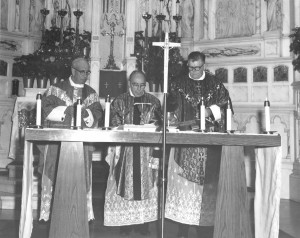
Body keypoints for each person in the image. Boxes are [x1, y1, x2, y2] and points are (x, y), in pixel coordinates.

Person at [165, 51, 232, 238]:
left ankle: (206, 228)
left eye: (197, 68)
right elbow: (170, 108)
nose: (194, 71)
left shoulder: (215, 83)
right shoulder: (177, 83)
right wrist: (171, 116)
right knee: (183, 187)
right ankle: (182, 229)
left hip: (208, 144)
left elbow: (226, 105)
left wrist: (211, 111)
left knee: (207, 188)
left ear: (204, 65)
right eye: (191, 68)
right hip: (185, 143)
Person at [38, 57, 103, 221]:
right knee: (56, 173)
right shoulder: (55, 89)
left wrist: (87, 114)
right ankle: (53, 214)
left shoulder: (91, 92)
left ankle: (80, 213)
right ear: (72, 71)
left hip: (81, 145)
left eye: (88, 71)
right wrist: (69, 112)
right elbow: (45, 110)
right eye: (82, 71)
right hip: (58, 143)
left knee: (81, 176)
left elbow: (97, 112)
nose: (86, 75)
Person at [103, 70, 162, 236]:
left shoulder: (153, 101)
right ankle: (126, 222)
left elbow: (159, 124)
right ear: (130, 84)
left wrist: (152, 124)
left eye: (142, 85)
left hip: (146, 151)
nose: (139, 89)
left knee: (147, 184)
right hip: (125, 151)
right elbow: (112, 122)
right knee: (125, 182)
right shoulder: (120, 100)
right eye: (136, 85)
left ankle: (143, 222)